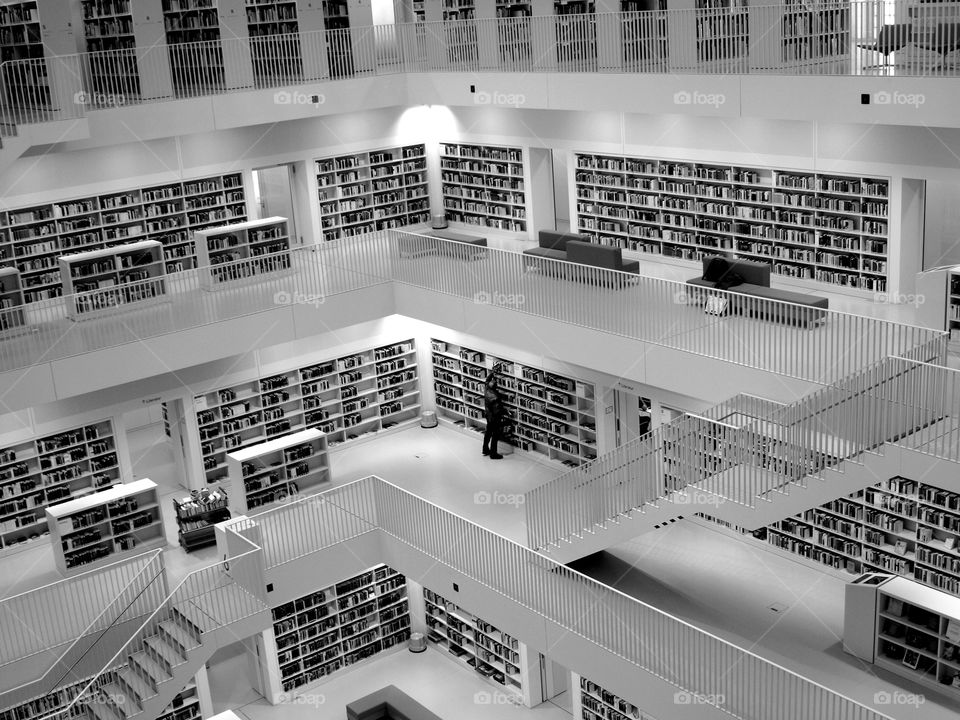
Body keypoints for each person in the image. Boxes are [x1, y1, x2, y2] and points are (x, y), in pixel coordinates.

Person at [482, 365, 505, 459]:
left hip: (488, 415)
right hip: (494, 418)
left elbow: (487, 380)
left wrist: (492, 372)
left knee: (488, 433)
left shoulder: (486, 389)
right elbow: (497, 410)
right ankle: (493, 453)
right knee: (495, 435)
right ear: (495, 387)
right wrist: (505, 412)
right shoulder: (496, 397)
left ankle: (485, 449)